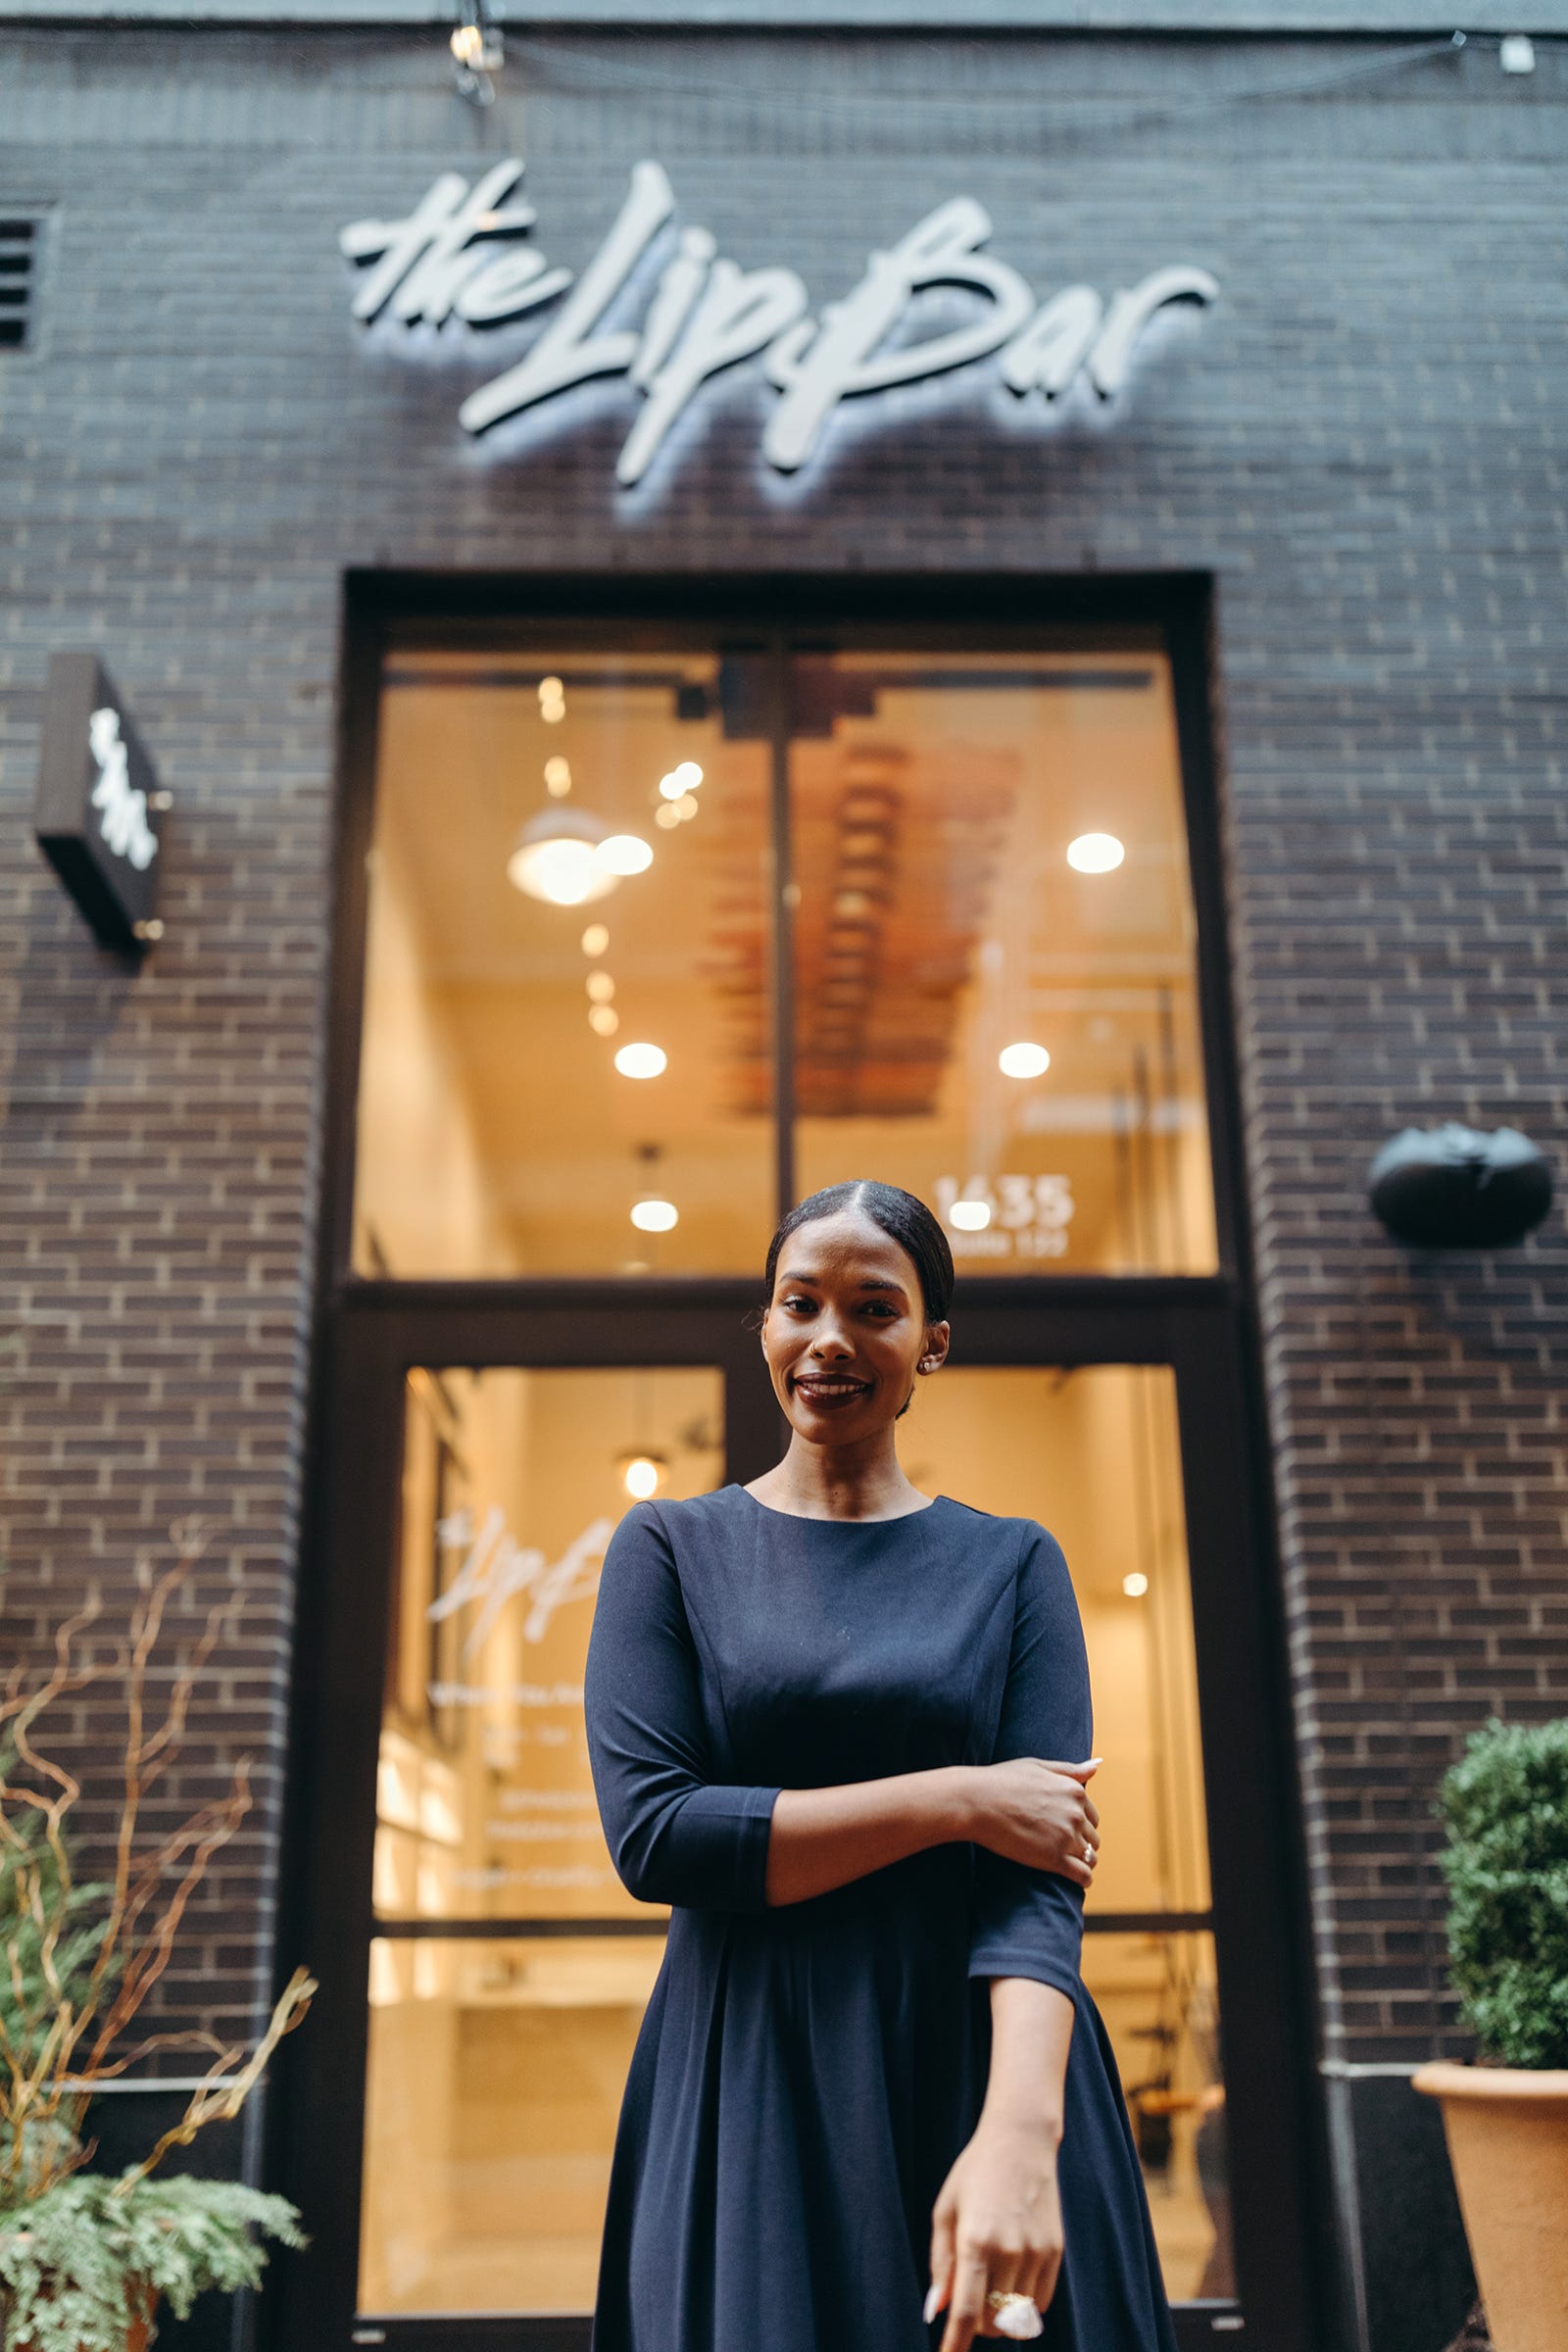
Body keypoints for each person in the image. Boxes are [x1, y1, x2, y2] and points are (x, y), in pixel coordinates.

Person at [583, 1180, 1178, 2352]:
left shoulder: (1012, 1564)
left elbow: (1037, 1883)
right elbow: (659, 1838)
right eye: (799, 1304)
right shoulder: (670, 1549)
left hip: (969, 2051)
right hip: (751, 2066)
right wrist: (961, 1796)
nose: (830, 1340)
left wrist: (1021, 2133)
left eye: (875, 1309)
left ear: (931, 1344)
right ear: (763, 1325)